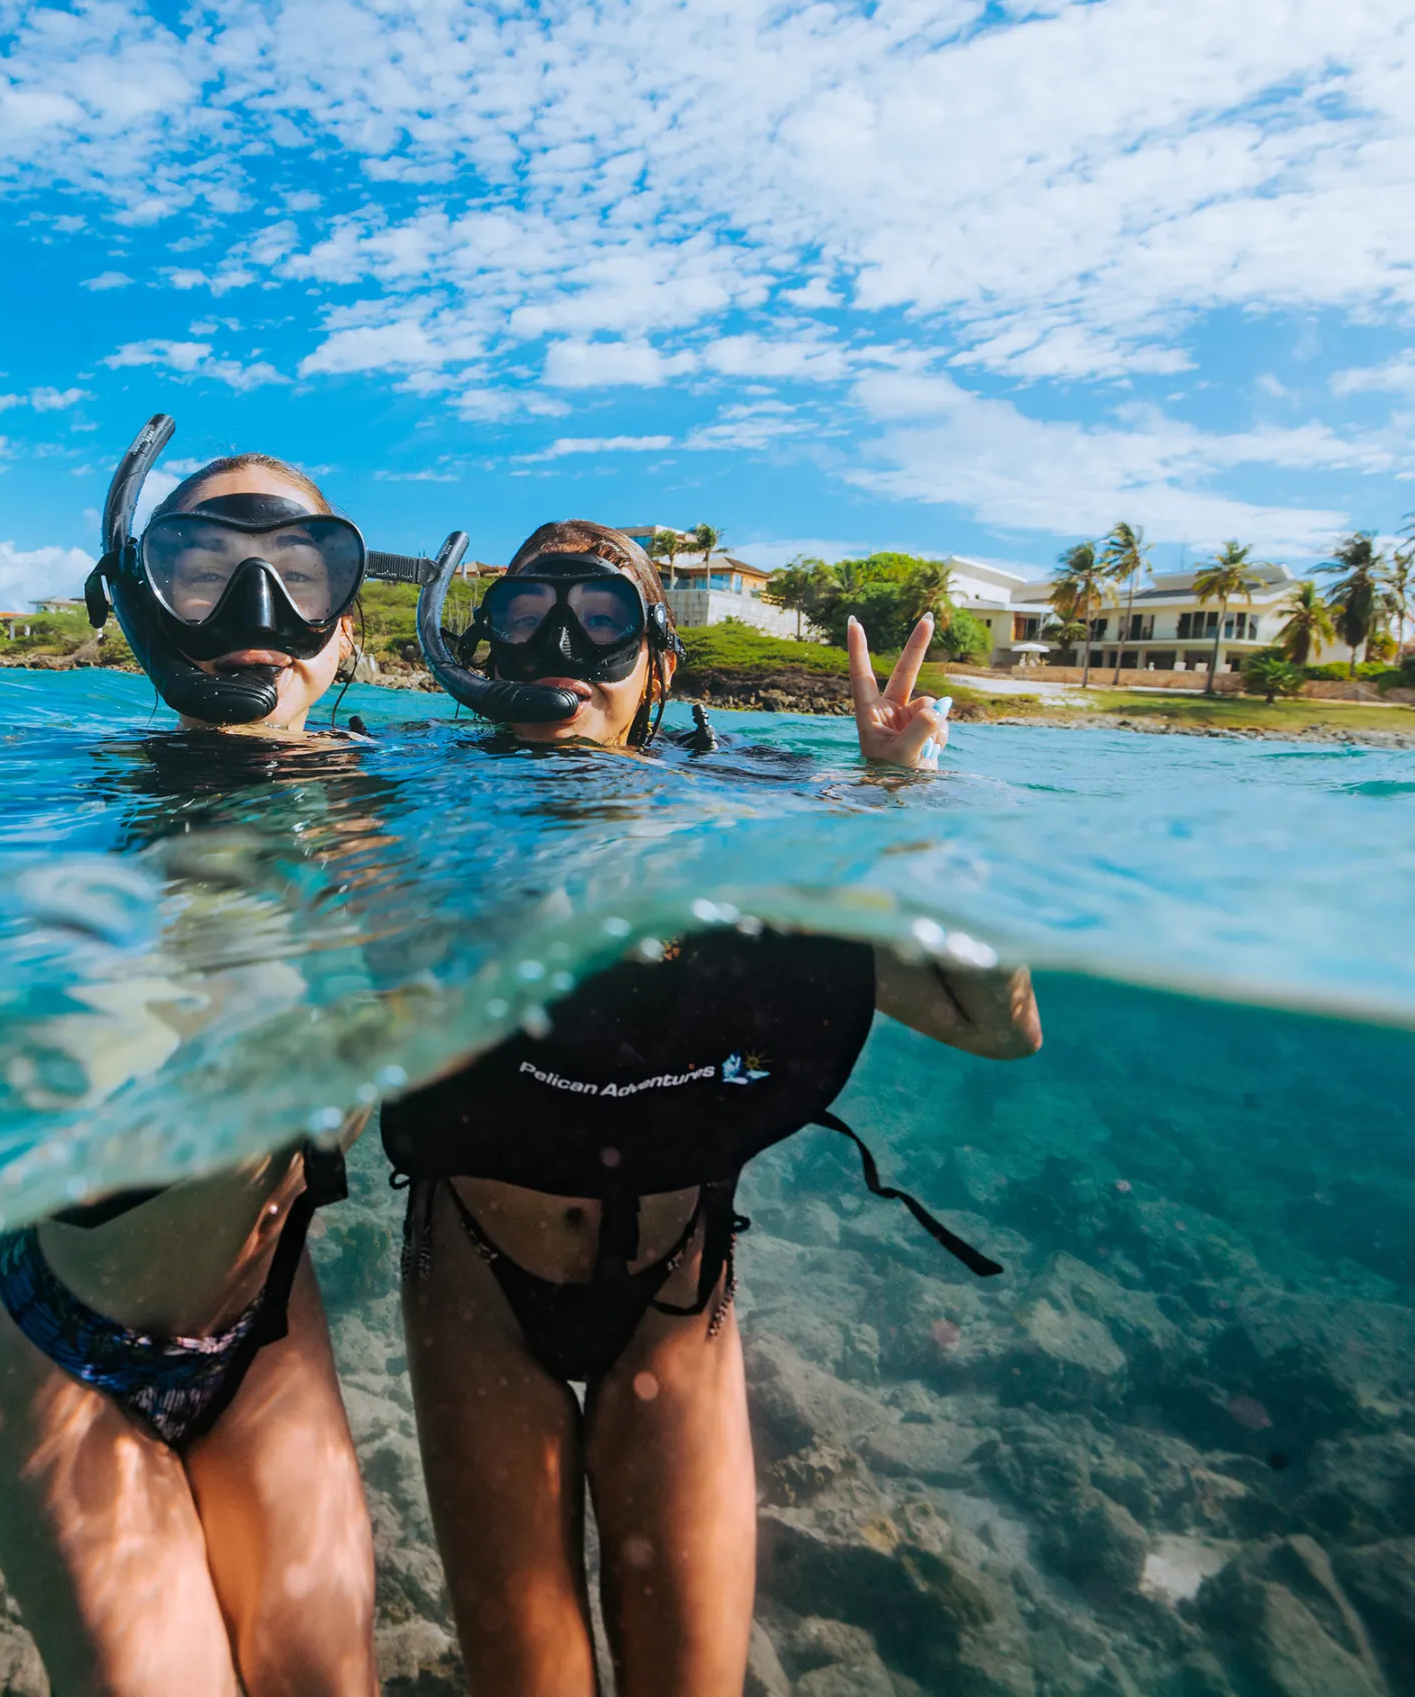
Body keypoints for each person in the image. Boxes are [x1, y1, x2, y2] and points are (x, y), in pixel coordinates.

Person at [385, 518, 1042, 1696]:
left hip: (676, 1295)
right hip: (477, 1289)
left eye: (606, 619)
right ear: (480, 655)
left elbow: (998, 1029)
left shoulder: (751, 835)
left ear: (659, 670)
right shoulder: (409, 815)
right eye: (527, 616)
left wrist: (913, 825)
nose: (563, 647)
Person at [0, 416, 381, 1696]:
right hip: (67, 1356)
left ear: (346, 630)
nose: (254, 603)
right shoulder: (53, 799)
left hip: (271, 1333)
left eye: (303, 567)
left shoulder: (399, 816)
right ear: (139, 607)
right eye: (200, 563)